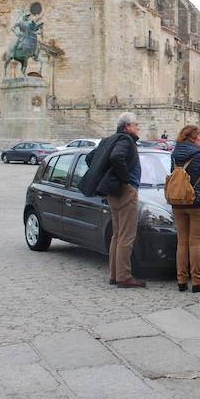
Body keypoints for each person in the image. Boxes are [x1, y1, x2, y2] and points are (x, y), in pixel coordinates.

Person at [78, 112, 145, 288]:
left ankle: (115, 275)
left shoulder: (109, 139)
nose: (138, 128)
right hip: (125, 191)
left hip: (114, 192)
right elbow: (116, 157)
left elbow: (90, 158)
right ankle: (124, 276)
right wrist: (124, 179)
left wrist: (107, 175)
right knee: (126, 235)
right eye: (136, 124)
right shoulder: (126, 140)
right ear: (128, 126)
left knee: (117, 234)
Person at [171, 125, 200, 293]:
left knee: (181, 242)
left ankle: (181, 280)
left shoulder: (174, 154)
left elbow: (172, 176)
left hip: (178, 201)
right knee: (195, 242)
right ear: (193, 138)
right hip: (197, 202)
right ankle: (197, 282)